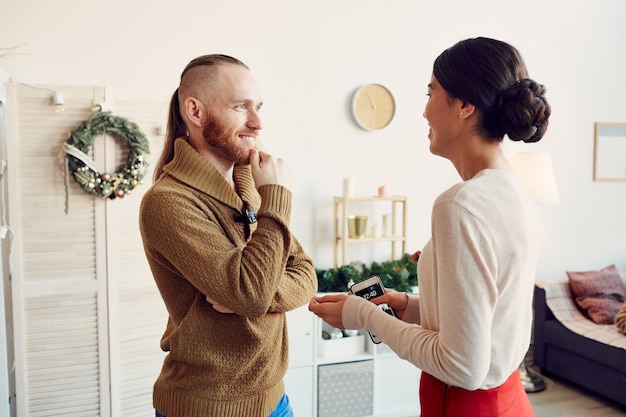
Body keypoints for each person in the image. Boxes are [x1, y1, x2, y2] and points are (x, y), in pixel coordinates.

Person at [309, 37, 551, 417]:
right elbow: (488, 313)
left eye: (431, 92)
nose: (424, 111)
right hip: (510, 402)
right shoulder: (515, 192)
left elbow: (462, 366)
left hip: (463, 406)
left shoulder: (460, 205)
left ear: (465, 106)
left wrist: (363, 315)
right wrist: (409, 306)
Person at [139, 54, 318, 417]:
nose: (257, 122)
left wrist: (254, 292)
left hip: (274, 401)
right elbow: (250, 293)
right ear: (195, 111)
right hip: (206, 408)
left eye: (258, 107)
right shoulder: (167, 202)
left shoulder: (249, 182)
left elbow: (306, 274)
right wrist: (278, 196)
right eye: (241, 106)